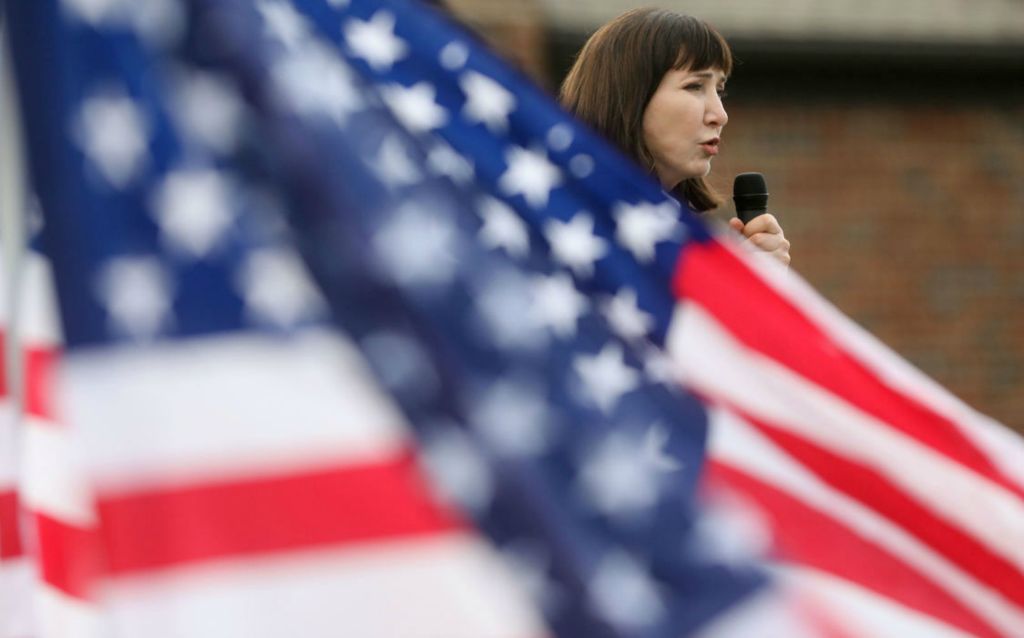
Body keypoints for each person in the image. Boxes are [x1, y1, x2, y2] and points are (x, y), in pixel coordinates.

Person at [559, 7, 791, 266]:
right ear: (630, 98)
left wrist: (754, 284)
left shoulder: (690, 239)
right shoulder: (565, 228)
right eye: (694, 86)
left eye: (720, 91)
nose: (720, 115)